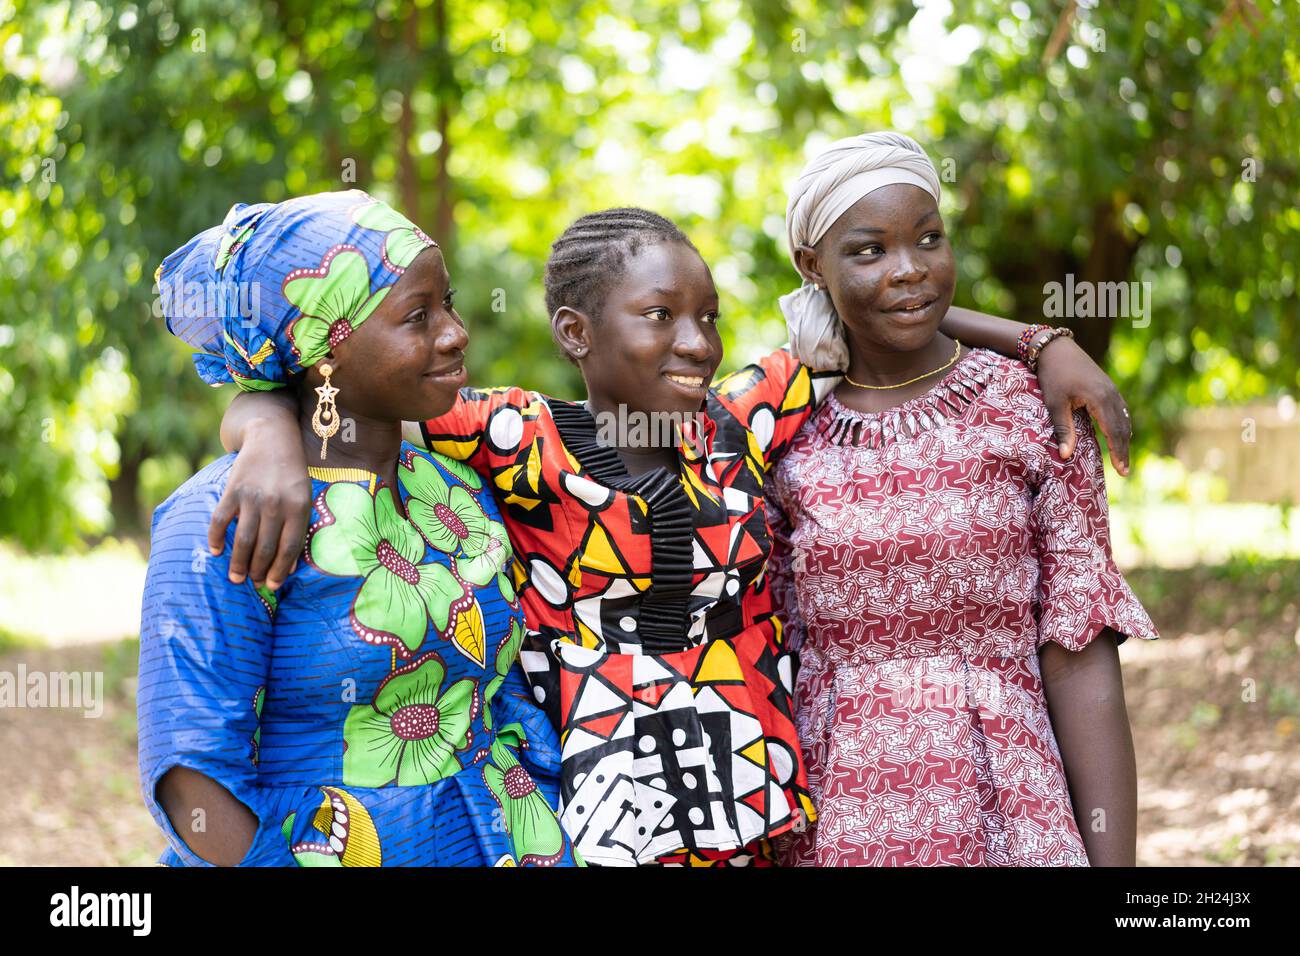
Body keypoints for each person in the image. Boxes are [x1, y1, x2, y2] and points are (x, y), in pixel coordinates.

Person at [207, 207, 1136, 866]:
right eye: (660, 317)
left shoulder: (740, 422)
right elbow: (341, 385)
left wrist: (1040, 342)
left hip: (757, 811)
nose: (697, 342)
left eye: (708, 319)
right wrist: (263, 427)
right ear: (575, 331)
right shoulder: (514, 436)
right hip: (592, 813)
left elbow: (876, 316)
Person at [138, 189, 581, 867]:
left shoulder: (453, 488)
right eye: (416, 317)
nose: (456, 332)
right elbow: (191, 784)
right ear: (325, 351)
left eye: (449, 304)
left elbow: (504, 693)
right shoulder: (223, 515)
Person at [766, 131, 1157, 866]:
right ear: (811, 266)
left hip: (1011, 812)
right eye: (869, 251)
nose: (910, 270)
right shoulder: (783, 432)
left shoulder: (1032, 408)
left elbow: (1079, 649)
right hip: (838, 821)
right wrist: (1038, 334)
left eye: (929, 239)